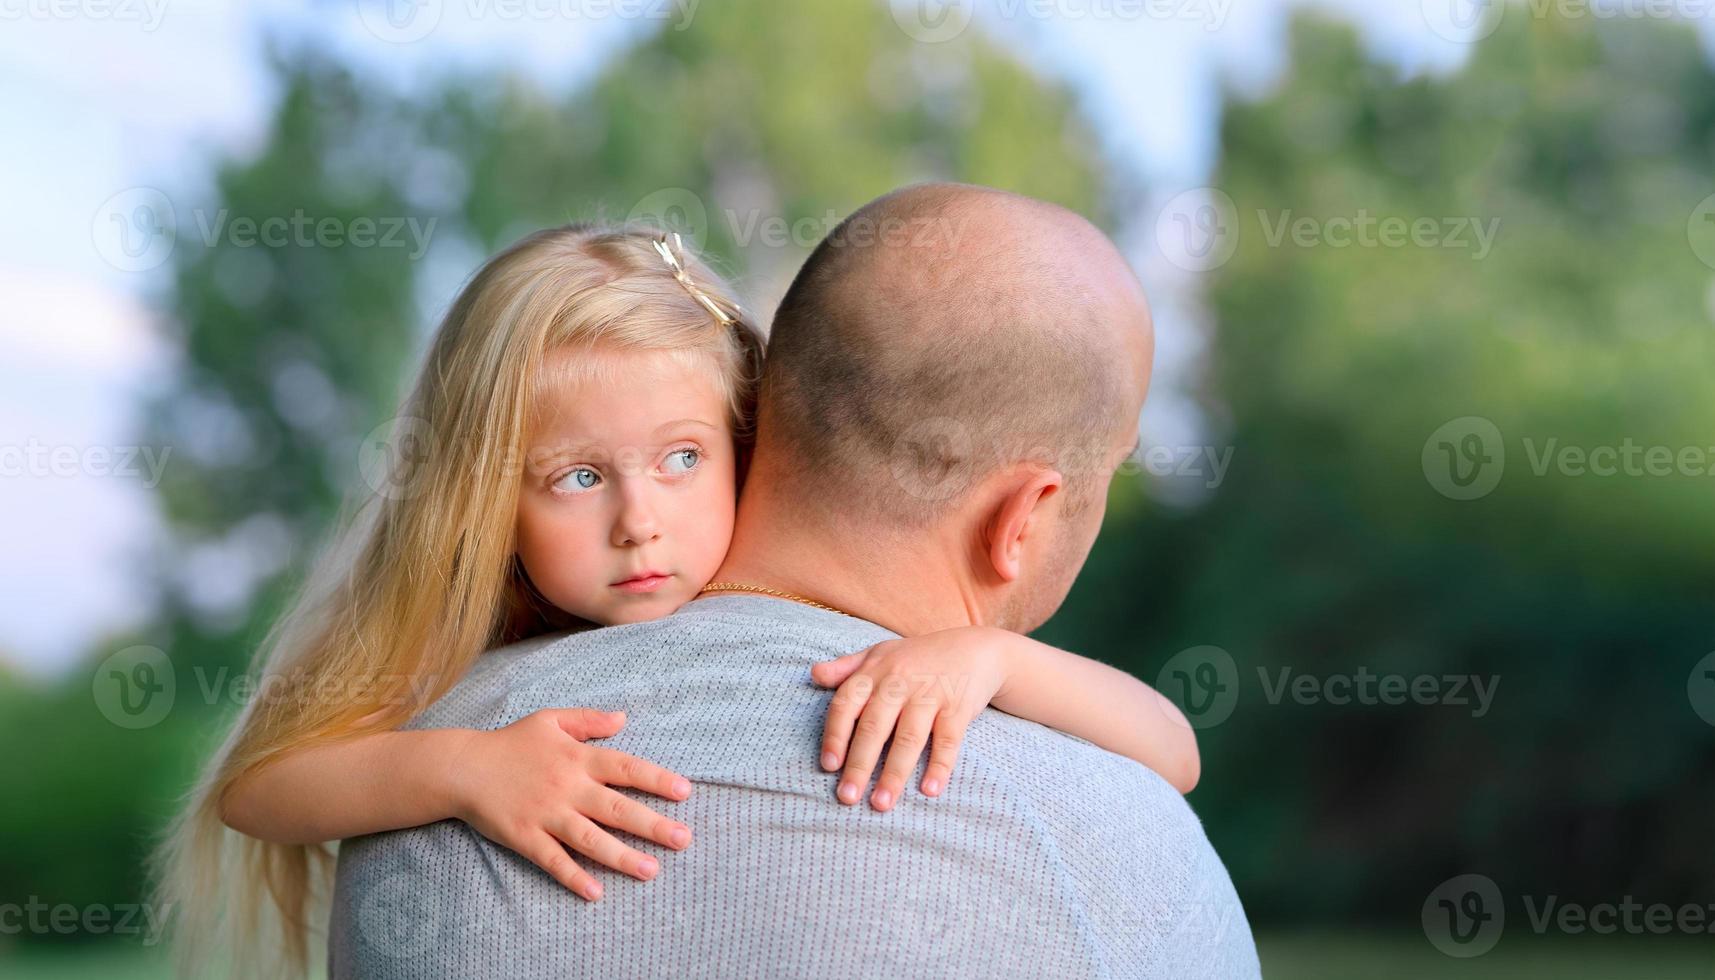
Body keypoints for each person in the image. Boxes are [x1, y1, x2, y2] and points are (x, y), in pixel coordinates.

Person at [155, 197, 1212, 979]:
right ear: (486, 507)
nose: (638, 520)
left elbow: (1174, 744)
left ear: (753, 440)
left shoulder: (973, 676)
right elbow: (259, 786)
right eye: (575, 478)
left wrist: (993, 657)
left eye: (682, 459)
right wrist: (461, 768)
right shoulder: (450, 681)